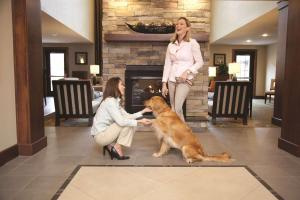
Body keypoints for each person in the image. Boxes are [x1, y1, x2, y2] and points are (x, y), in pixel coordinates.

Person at [91, 77, 152, 160]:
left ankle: (110, 146)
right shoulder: (110, 102)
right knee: (128, 124)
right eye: (121, 85)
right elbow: (122, 122)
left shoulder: (114, 101)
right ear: (115, 86)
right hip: (101, 136)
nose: (124, 87)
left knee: (130, 122)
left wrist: (143, 111)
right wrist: (140, 121)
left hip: (105, 132)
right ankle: (117, 147)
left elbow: (128, 116)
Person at [162, 17, 204, 121]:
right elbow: (167, 64)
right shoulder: (171, 45)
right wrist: (164, 83)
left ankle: (184, 134)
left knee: (177, 108)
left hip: (185, 80)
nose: (178, 26)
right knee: (173, 109)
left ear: (187, 28)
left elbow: (200, 62)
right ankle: (180, 134)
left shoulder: (192, 43)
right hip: (171, 79)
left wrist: (188, 71)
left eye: (181, 24)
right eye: (177, 24)